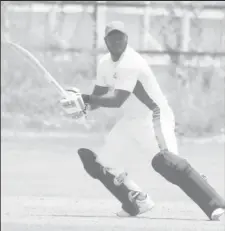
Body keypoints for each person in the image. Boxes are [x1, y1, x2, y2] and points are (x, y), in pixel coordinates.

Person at [61, 21, 225, 220]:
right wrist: (80, 105)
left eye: (120, 36)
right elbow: (98, 98)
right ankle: (136, 201)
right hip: (130, 120)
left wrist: (85, 99)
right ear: (106, 41)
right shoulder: (104, 63)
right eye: (112, 37)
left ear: (127, 39)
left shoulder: (131, 62)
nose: (117, 40)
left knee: (167, 163)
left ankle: (215, 203)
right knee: (103, 164)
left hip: (153, 117)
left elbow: (116, 100)